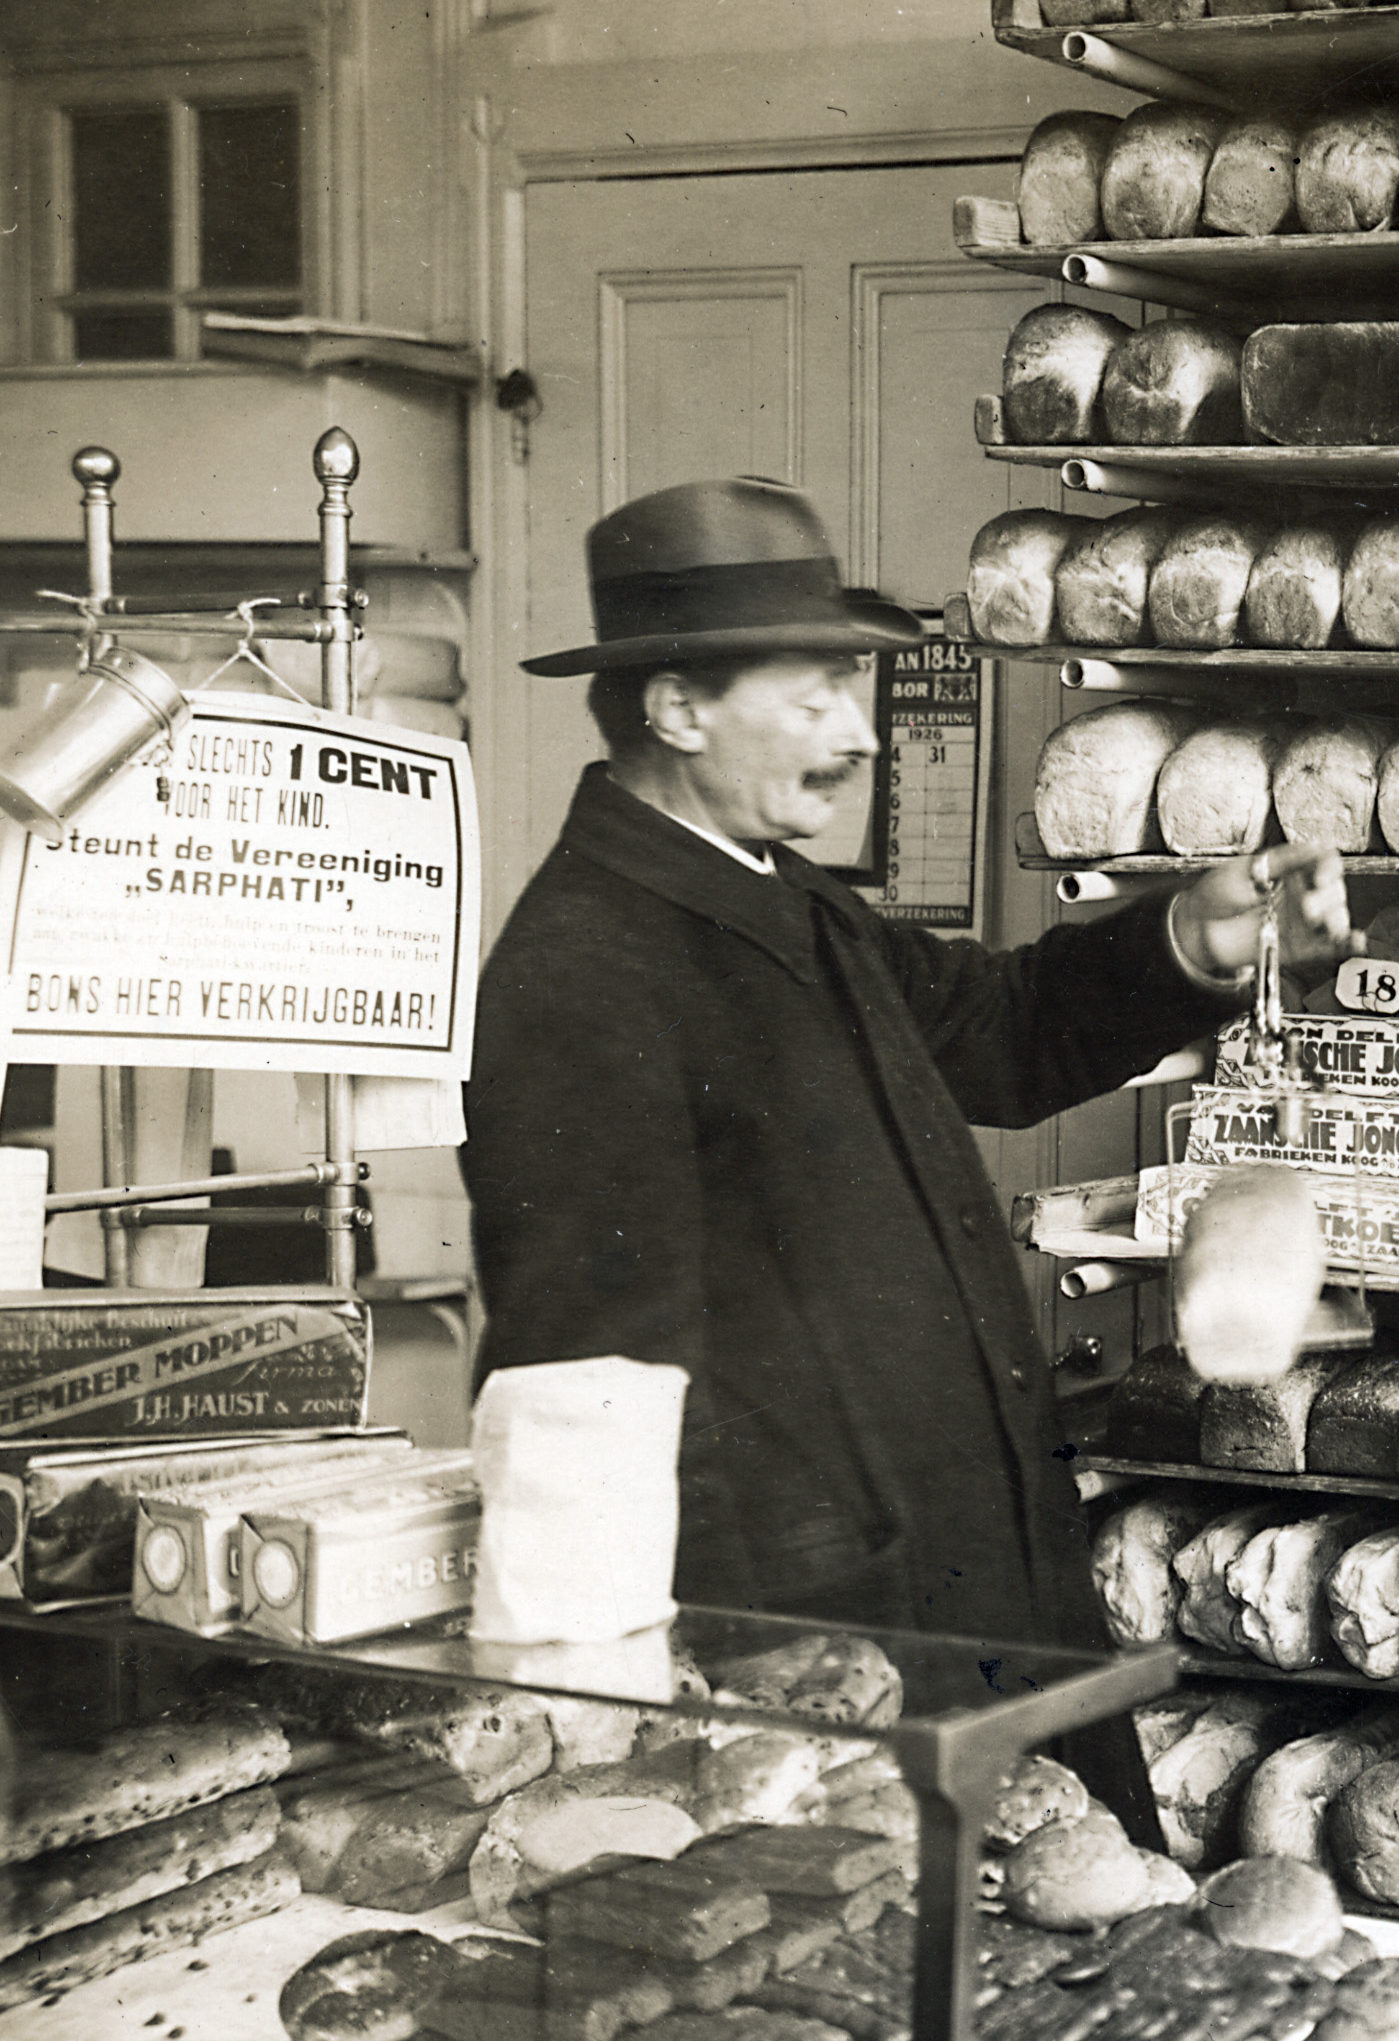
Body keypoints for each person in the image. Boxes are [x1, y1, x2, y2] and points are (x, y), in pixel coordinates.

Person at [463, 476, 1349, 1655]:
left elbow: (999, 1030)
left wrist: (1189, 938)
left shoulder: (786, 895)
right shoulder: (583, 972)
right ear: (677, 706)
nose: (861, 735)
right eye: (818, 694)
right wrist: (756, 1687)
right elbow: (591, 1401)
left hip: (964, 1589)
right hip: (827, 1648)